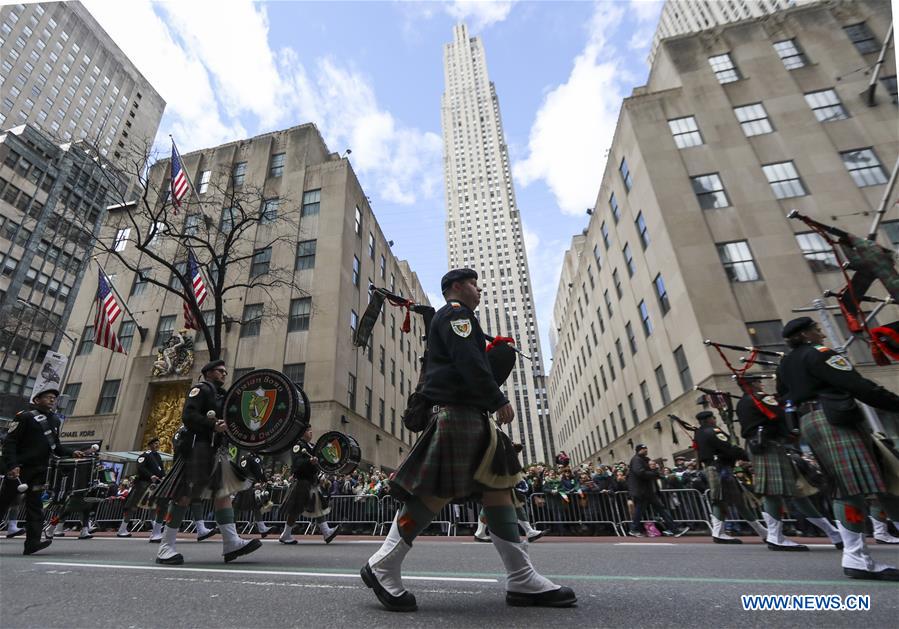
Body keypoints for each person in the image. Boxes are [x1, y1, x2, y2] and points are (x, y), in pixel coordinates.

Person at [361, 268, 575, 611]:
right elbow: (469, 362)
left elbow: (471, 360)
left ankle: (521, 577)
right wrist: (497, 398)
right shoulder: (457, 315)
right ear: (456, 287)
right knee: (435, 493)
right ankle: (382, 563)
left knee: (498, 489)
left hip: (469, 415)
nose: (480, 289)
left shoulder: (456, 319)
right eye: (474, 284)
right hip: (460, 413)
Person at [776, 317, 899, 580]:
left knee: (861, 483)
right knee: (851, 488)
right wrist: (894, 403)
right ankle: (855, 557)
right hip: (833, 418)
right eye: (816, 329)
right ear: (806, 334)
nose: (821, 333)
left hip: (810, 421)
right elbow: (856, 384)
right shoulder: (820, 354)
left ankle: (856, 555)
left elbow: (783, 397)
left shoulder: (785, 364)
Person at [152, 360, 261, 565]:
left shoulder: (223, 396)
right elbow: (189, 416)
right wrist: (213, 425)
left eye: (225, 371)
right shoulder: (200, 390)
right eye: (220, 371)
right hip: (197, 448)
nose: (224, 374)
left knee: (223, 493)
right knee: (184, 496)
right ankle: (165, 547)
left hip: (216, 450)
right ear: (208, 372)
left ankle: (231, 542)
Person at [735, 380, 842, 550]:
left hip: (761, 445)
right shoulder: (759, 397)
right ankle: (775, 536)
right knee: (773, 492)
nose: (761, 384)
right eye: (758, 382)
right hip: (768, 445)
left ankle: (833, 533)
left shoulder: (741, 403)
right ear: (753, 384)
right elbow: (780, 413)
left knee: (796, 492)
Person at [0, 388, 89, 555]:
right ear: (37, 399)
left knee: (36, 507)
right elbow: (9, 443)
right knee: (3, 503)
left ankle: (32, 543)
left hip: (39, 471)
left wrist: (72, 452)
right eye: (48, 397)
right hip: (20, 470)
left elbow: (56, 446)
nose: (52, 400)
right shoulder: (24, 417)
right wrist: (12, 465)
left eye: (54, 398)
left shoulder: (55, 420)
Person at [694, 411, 769, 544]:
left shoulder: (699, 433)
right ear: (709, 419)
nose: (715, 419)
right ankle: (718, 532)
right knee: (720, 500)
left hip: (716, 467)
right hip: (720, 468)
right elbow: (729, 448)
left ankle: (761, 531)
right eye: (713, 418)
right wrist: (748, 456)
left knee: (735, 501)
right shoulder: (714, 431)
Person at [278, 427, 339, 545]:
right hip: (302, 481)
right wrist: (309, 462)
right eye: (307, 430)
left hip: (311, 481)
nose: (311, 432)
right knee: (296, 509)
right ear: (301, 433)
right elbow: (297, 464)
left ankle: (326, 532)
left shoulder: (311, 446)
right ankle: (286, 534)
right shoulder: (298, 446)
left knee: (318, 506)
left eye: (311, 430)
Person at [627, 444, 689, 538]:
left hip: (648, 491)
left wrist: (659, 474)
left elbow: (651, 471)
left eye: (646, 448)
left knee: (661, 509)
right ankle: (633, 528)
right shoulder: (636, 460)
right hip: (641, 491)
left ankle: (674, 529)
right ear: (638, 450)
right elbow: (640, 472)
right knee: (640, 511)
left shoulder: (644, 459)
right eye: (643, 449)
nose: (646, 450)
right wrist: (653, 473)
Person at [117, 437, 165, 538]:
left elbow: (161, 469)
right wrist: (150, 475)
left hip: (154, 485)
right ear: (150, 445)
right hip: (143, 484)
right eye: (155, 443)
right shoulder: (144, 455)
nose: (157, 445)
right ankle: (122, 529)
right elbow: (140, 467)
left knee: (153, 507)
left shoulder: (158, 457)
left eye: (158, 443)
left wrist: (163, 476)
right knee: (133, 507)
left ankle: (156, 531)